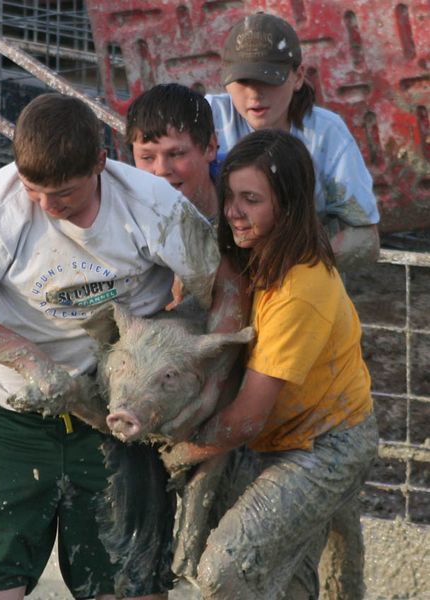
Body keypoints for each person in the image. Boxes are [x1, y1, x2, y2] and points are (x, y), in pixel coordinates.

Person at [0, 93, 224, 600]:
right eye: (36, 190)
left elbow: (224, 289)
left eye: (65, 195)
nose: (49, 207)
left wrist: (190, 370)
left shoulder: (153, 206)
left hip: (118, 418)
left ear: (100, 162)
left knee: (130, 590)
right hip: (7, 411)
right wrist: (32, 362)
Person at [160, 129, 379, 599]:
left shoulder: (300, 289)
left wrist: (174, 455)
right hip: (279, 434)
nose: (235, 211)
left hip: (323, 443)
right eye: (231, 197)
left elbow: (246, 416)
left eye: (252, 200)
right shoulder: (254, 253)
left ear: (289, 205)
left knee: (224, 571)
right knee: (287, 578)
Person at [206, 11, 380, 272]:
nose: (254, 93)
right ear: (226, 80)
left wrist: (292, 267)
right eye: (243, 81)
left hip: (301, 272)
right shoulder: (205, 119)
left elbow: (365, 237)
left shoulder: (327, 135)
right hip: (219, 267)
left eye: (269, 79)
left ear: (298, 76)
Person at [126, 83, 219, 222]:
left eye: (176, 154)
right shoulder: (127, 222)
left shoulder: (249, 194)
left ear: (210, 147)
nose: (161, 170)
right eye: (147, 157)